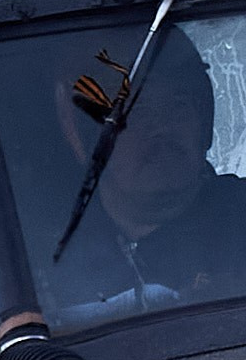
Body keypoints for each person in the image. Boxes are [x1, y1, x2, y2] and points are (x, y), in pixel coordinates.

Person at [42, 30, 232, 324]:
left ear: (204, 119)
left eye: (177, 107)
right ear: (87, 139)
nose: (161, 129)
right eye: (134, 114)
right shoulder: (43, 269)